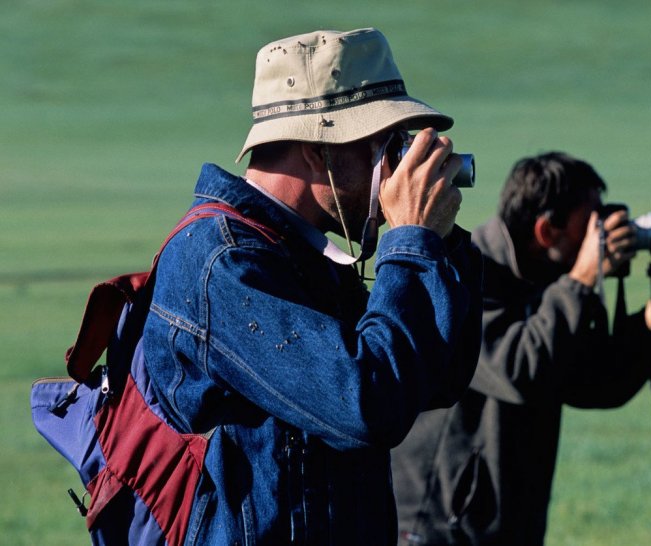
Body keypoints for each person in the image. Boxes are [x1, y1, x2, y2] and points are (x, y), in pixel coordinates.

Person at [142, 28, 482, 545]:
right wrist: (409, 240)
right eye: (383, 144)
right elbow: (367, 407)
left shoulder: (305, 256)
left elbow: (438, 378)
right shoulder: (222, 262)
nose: (395, 165)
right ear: (313, 148)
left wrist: (440, 242)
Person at [391, 151, 651, 545]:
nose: (599, 237)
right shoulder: (465, 278)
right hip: (433, 529)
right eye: (589, 225)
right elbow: (520, 369)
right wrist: (583, 279)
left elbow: (596, 382)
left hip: (504, 529)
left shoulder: (550, 285)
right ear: (546, 232)